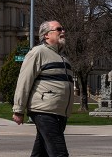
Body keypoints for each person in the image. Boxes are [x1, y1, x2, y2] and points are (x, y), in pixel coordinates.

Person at [12, 20, 73, 157]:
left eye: (62, 29)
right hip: (44, 111)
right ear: (46, 35)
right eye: (59, 29)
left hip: (59, 113)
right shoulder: (38, 52)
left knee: (41, 153)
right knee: (59, 153)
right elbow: (24, 81)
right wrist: (19, 110)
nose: (63, 32)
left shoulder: (63, 58)